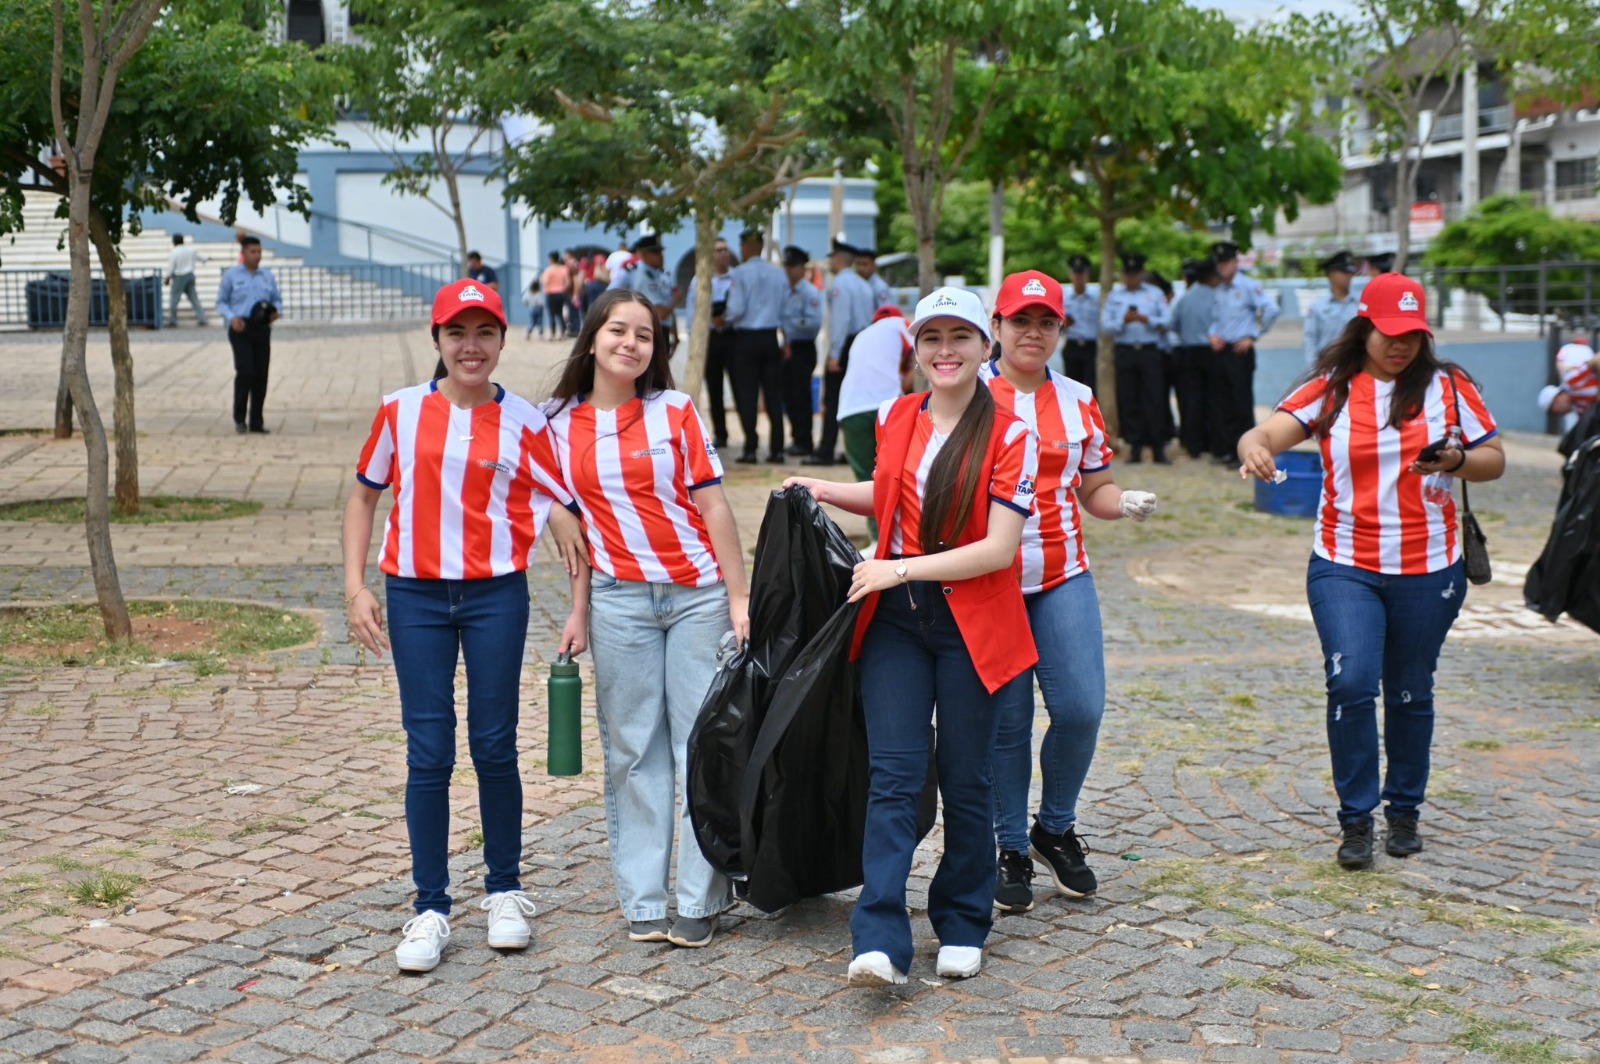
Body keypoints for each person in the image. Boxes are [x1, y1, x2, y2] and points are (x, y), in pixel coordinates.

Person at [785, 286, 1039, 986]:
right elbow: (892, 493)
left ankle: (962, 918)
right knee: (894, 777)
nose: (945, 351)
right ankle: (879, 936)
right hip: (897, 620)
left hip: (972, 624)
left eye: (960, 337)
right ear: (916, 348)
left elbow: (996, 549)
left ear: (986, 346)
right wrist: (829, 489)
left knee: (966, 778)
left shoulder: (1014, 431)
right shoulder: (899, 414)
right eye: (932, 338)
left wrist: (896, 567)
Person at [341, 279, 589, 973]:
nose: (471, 347)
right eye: (457, 333)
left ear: (503, 340)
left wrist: (575, 594)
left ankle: (505, 890)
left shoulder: (526, 421)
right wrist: (356, 586)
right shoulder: (399, 411)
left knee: (494, 742)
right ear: (438, 340)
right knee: (429, 748)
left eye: (484, 333)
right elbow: (365, 496)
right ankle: (430, 906)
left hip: (494, 596)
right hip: (414, 595)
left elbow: (557, 498)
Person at [1237, 273, 1504, 870]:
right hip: (1344, 564)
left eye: (1412, 334)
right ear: (1364, 327)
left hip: (1429, 569)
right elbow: (1265, 433)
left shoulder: (1449, 387)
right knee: (1352, 683)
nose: (1401, 345)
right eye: (1389, 333)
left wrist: (1458, 458)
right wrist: (1254, 448)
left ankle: (1404, 808)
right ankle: (1355, 820)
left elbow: (1494, 460)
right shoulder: (1332, 389)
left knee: (1410, 691)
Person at [541, 288, 751, 948]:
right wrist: (577, 609)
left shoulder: (676, 412)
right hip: (618, 602)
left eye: (645, 335)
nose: (631, 344)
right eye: (618, 331)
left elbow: (715, 509)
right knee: (633, 749)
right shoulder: (555, 424)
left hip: (697, 597)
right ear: (592, 336)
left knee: (700, 744)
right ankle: (644, 900)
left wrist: (740, 599)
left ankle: (700, 896)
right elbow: (571, 535)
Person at [982, 271, 1157, 913]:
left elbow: (1094, 490)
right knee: (1007, 722)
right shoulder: (967, 392)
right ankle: (1007, 847)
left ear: (1060, 330)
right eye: (1020, 320)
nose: (1033, 332)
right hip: (986, 582)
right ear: (996, 327)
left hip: (1061, 574)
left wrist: (1122, 503)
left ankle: (1053, 827)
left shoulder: (1079, 398)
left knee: (1081, 709)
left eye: (1046, 322)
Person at [836, 304, 913, 542]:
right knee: (897, 474)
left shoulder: (862, 335)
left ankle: (878, 539)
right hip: (887, 407)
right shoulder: (904, 326)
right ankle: (897, 537)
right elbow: (918, 364)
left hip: (850, 411)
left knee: (866, 478)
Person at [1206, 241, 1281, 465]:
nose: (1223, 267)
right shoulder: (1218, 290)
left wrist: (1253, 335)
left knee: (1241, 402)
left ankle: (1247, 453)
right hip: (1221, 350)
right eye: (1220, 263)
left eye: (1227, 262)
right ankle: (1228, 449)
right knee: (1222, 402)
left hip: (1240, 351)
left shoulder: (1248, 286)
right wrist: (1212, 335)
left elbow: (1271, 309)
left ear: (1236, 262)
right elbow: (1215, 319)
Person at [807, 237, 875, 466]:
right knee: (856, 397)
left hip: (846, 344)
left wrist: (834, 354)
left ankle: (826, 450)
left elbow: (840, 321)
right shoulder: (864, 284)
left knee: (834, 398)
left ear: (838, 260)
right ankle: (853, 449)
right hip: (863, 344)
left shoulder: (840, 285)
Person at [724, 228, 790, 463]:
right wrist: (787, 338)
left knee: (747, 394)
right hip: (770, 337)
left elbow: (736, 308)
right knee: (773, 394)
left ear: (745, 247)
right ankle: (777, 449)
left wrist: (726, 317)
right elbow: (785, 310)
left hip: (746, 338)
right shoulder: (778, 274)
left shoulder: (739, 274)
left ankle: (751, 448)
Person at [1100, 252, 1171, 464]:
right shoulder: (1115, 296)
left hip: (1150, 350)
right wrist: (1124, 321)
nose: (1131, 278)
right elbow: (1106, 327)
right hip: (1126, 351)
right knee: (1129, 399)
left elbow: (1167, 321)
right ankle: (1135, 447)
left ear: (1142, 274)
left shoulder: (1155, 293)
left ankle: (1158, 447)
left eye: (1135, 274)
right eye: (1127, 274)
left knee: (1155, 398)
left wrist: (1147, 319)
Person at [215, 236, 282, 435]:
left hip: (261, 327)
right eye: (253, 252)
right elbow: (221, 302)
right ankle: (239, 418)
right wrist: (231, 317)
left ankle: (256, 421)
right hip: (240, 327)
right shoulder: (232, 276)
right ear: (243, 254)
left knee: (261, 374)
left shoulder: (267, 276)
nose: (257, 256)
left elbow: (277, 299)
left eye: (259, 251)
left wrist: (277, 311)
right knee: (246, 371)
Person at [1170, 258, 1219, 458]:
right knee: (1214, 398)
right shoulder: (1217, 297)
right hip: (1212, 350)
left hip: (1188, 351)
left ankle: (1193, 445)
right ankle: (1213, 442)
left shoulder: (1184, 298)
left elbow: (1173, 324)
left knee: (1192, 399)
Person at [779, 245, 823, 457]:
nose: (790, 271)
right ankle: (797, 437)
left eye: (794, 266)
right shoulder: (785, 290)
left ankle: (805, 441)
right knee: (789, 395)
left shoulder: (809, 292)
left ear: (802, 268)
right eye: (787, 266)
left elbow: (814, 323)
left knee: (801, 395)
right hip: (788, 346)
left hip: (803, 347)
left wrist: (791, 323)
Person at [696, 236, 737, 448]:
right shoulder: (701, 280)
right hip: (711, 338)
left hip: (732, 336)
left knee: (740, 387)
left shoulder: (736, 278)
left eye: (725, 250)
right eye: (719, 250)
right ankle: (721, 433)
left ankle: (749, 436)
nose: (723, 254)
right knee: (714, 388)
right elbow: (695, 311)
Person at [609, 234, 679, 353]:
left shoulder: (661, 276)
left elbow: (667, 309)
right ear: (643, 253)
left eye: (660, 252)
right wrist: (677, 298)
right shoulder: (636, 274)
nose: (660, 256)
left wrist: (675, 334)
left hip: (661, 332)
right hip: (644, 332)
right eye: (655, 252)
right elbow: (661, 313)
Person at [1304, 250, 1360, 365]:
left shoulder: (1361, 303)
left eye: (1350, 273)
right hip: (1328, 365)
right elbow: (1310, 338)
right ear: (1332, 275)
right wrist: (1314, 368)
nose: (1349, 276)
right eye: (1344, 272)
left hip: (1355, 364)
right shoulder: (1318, 306)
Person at [1060, 254, 1100, 391]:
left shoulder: (1097, 297)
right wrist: (1064, 324)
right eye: (1076, 274)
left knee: (1092, 387)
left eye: (1082, 274)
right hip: (1072, 345)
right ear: (1070, 275)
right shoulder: (1064, 297)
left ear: (1087, 275)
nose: (1079, 277)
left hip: (1092, 347)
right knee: (1071, 387)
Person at [165, 234, 207, 328]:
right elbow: (201, 257)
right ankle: (203, 318)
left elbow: (171, 267)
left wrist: (167, 277)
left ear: (174, 241)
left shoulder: (174, 252)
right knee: (194, 298)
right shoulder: (190, 250)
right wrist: (207, 258)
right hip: (190, 275)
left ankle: (173, 320)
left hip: (179, 276)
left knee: (174, 299)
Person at [540, 252, 572, 339]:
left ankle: (553, 333)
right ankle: (562, 333)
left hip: (551, 294)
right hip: (561, 293)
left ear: (551, 259)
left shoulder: (548, 270)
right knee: (560, 314)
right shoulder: (564, 269)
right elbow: (568, 282)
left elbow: (545, 282)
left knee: (551, 314)